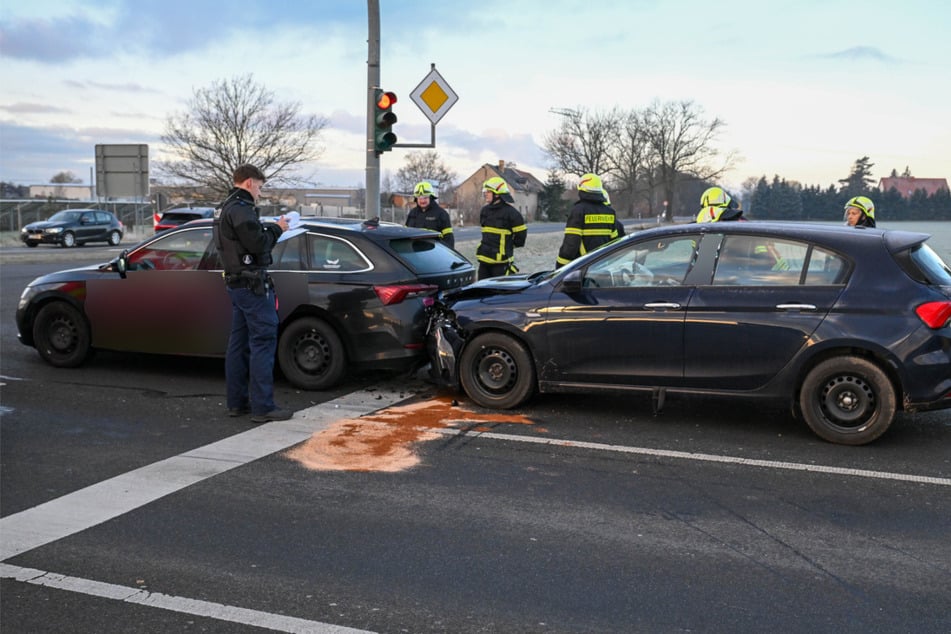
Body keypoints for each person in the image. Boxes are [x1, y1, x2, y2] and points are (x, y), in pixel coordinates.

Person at [213, 164, 292, 423]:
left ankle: (237, 403)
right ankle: (263, 406)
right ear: (249, 183)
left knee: (238, 344)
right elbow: (258, 243)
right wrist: (278, 228)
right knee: (263, 342)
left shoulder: (224, 207)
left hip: (236, 283)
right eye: (259, 187)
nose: (259, 192)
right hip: (252, 285)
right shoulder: (241, 209)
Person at [556, 173, 620, 267]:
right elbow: (615, 242)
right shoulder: (610, 211)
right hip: (605, 266)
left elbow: (571, 243)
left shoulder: (578, 210)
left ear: (582, 189)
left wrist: (560, 266)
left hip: (585, 266)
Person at [476, 176, 527, 279]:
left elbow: (520, 239)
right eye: (485, 191)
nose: (485, 194)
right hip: (484, 262)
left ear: (497, 194)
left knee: (500, 289)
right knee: (481, 288)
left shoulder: (512, 214)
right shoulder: (484, 211)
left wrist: (508, 246)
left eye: (488, 191)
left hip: (501, 264)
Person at [406, 181, 454, 248]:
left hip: (434, 253)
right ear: (416, 199)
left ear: (431, 197)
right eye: (419, 198)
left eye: (425, 197)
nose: (422, 200)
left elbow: (449, 240)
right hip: (414, 253)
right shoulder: (412, 213)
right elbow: (406, 235)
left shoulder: (442, 214)